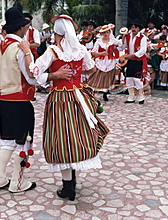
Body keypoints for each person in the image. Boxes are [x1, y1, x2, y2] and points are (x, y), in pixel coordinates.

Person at [0, 7, 72, 193]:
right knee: (23, 141)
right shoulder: (20, 48)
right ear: (21, 28)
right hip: (20, 100)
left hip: (3, 99)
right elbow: (31, 77)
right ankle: (17, 183)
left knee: (7, 140)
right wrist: (53, 75)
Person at [31, 14, 109, 201]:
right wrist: (77, 73)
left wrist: (54, 75)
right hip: (79, 96)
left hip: (60, 98)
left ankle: (68, 186)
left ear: (56, 33)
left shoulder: (53, 51)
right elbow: (92, 68)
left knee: (62, 139)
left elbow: (35, 72)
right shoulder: (81, 49)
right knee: (77, 135)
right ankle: (72, 179)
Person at [88, 24, 122, 101]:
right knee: (98, 76)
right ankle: (94, 92)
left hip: (110, 61)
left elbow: (121, 45)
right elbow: (93, 52)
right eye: (104, 33)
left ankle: (105, 93)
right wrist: (101, 54)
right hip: (101, 61)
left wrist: (115, 49)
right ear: (101, 34)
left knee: (108, 77)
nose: (106, 34)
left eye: (107, 32)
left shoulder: (113, 40)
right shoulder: (98, 41)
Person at [119, 19, 149, 104]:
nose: (133, 29)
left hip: (138, 60)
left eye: (135, 27)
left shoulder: (142, 37)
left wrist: (131, 55)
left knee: (138, 78)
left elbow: (143, 50)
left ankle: (141, 96)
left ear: (139, 28)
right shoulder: (127, 36)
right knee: (129, 78)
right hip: (130, 60)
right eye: (132, 27)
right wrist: (116, 47)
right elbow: (123, 46)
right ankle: (131, 96)